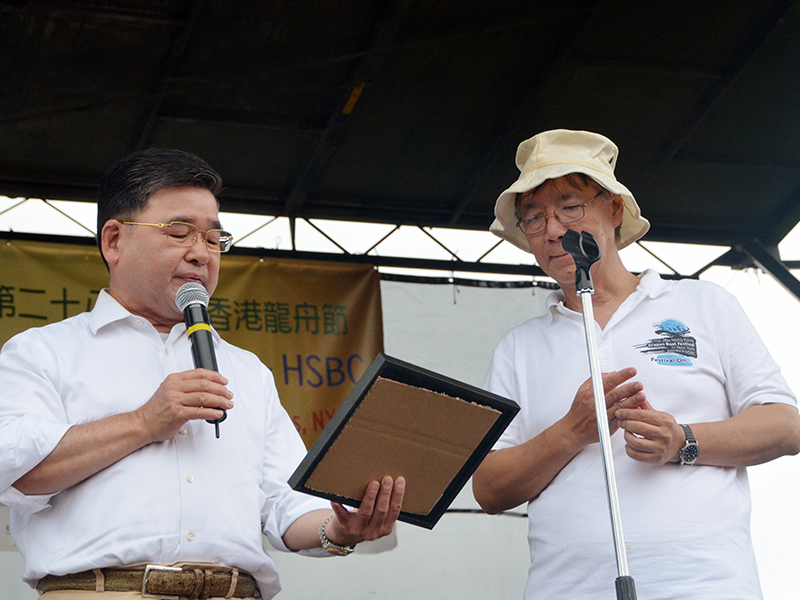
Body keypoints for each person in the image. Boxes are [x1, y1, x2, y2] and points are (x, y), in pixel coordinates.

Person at [0, 148, 405, 599]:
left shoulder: (248, 371)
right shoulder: (43, 351)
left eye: (214, 240)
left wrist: (342, 528)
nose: (200, 255)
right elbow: (14, 469)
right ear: (113, 241)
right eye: (179, 232)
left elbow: (285, 504)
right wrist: (144, 422)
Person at [472, 129, 800, 599]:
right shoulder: (518, 348)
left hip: (706, 584)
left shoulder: (704, 304)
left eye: (570, 206)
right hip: (567, 589)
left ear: (614, 209)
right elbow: (488, 487)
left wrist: (684, 440)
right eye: (535, 218)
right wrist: (572, 431)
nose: (554, 230)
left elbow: (786, 426)